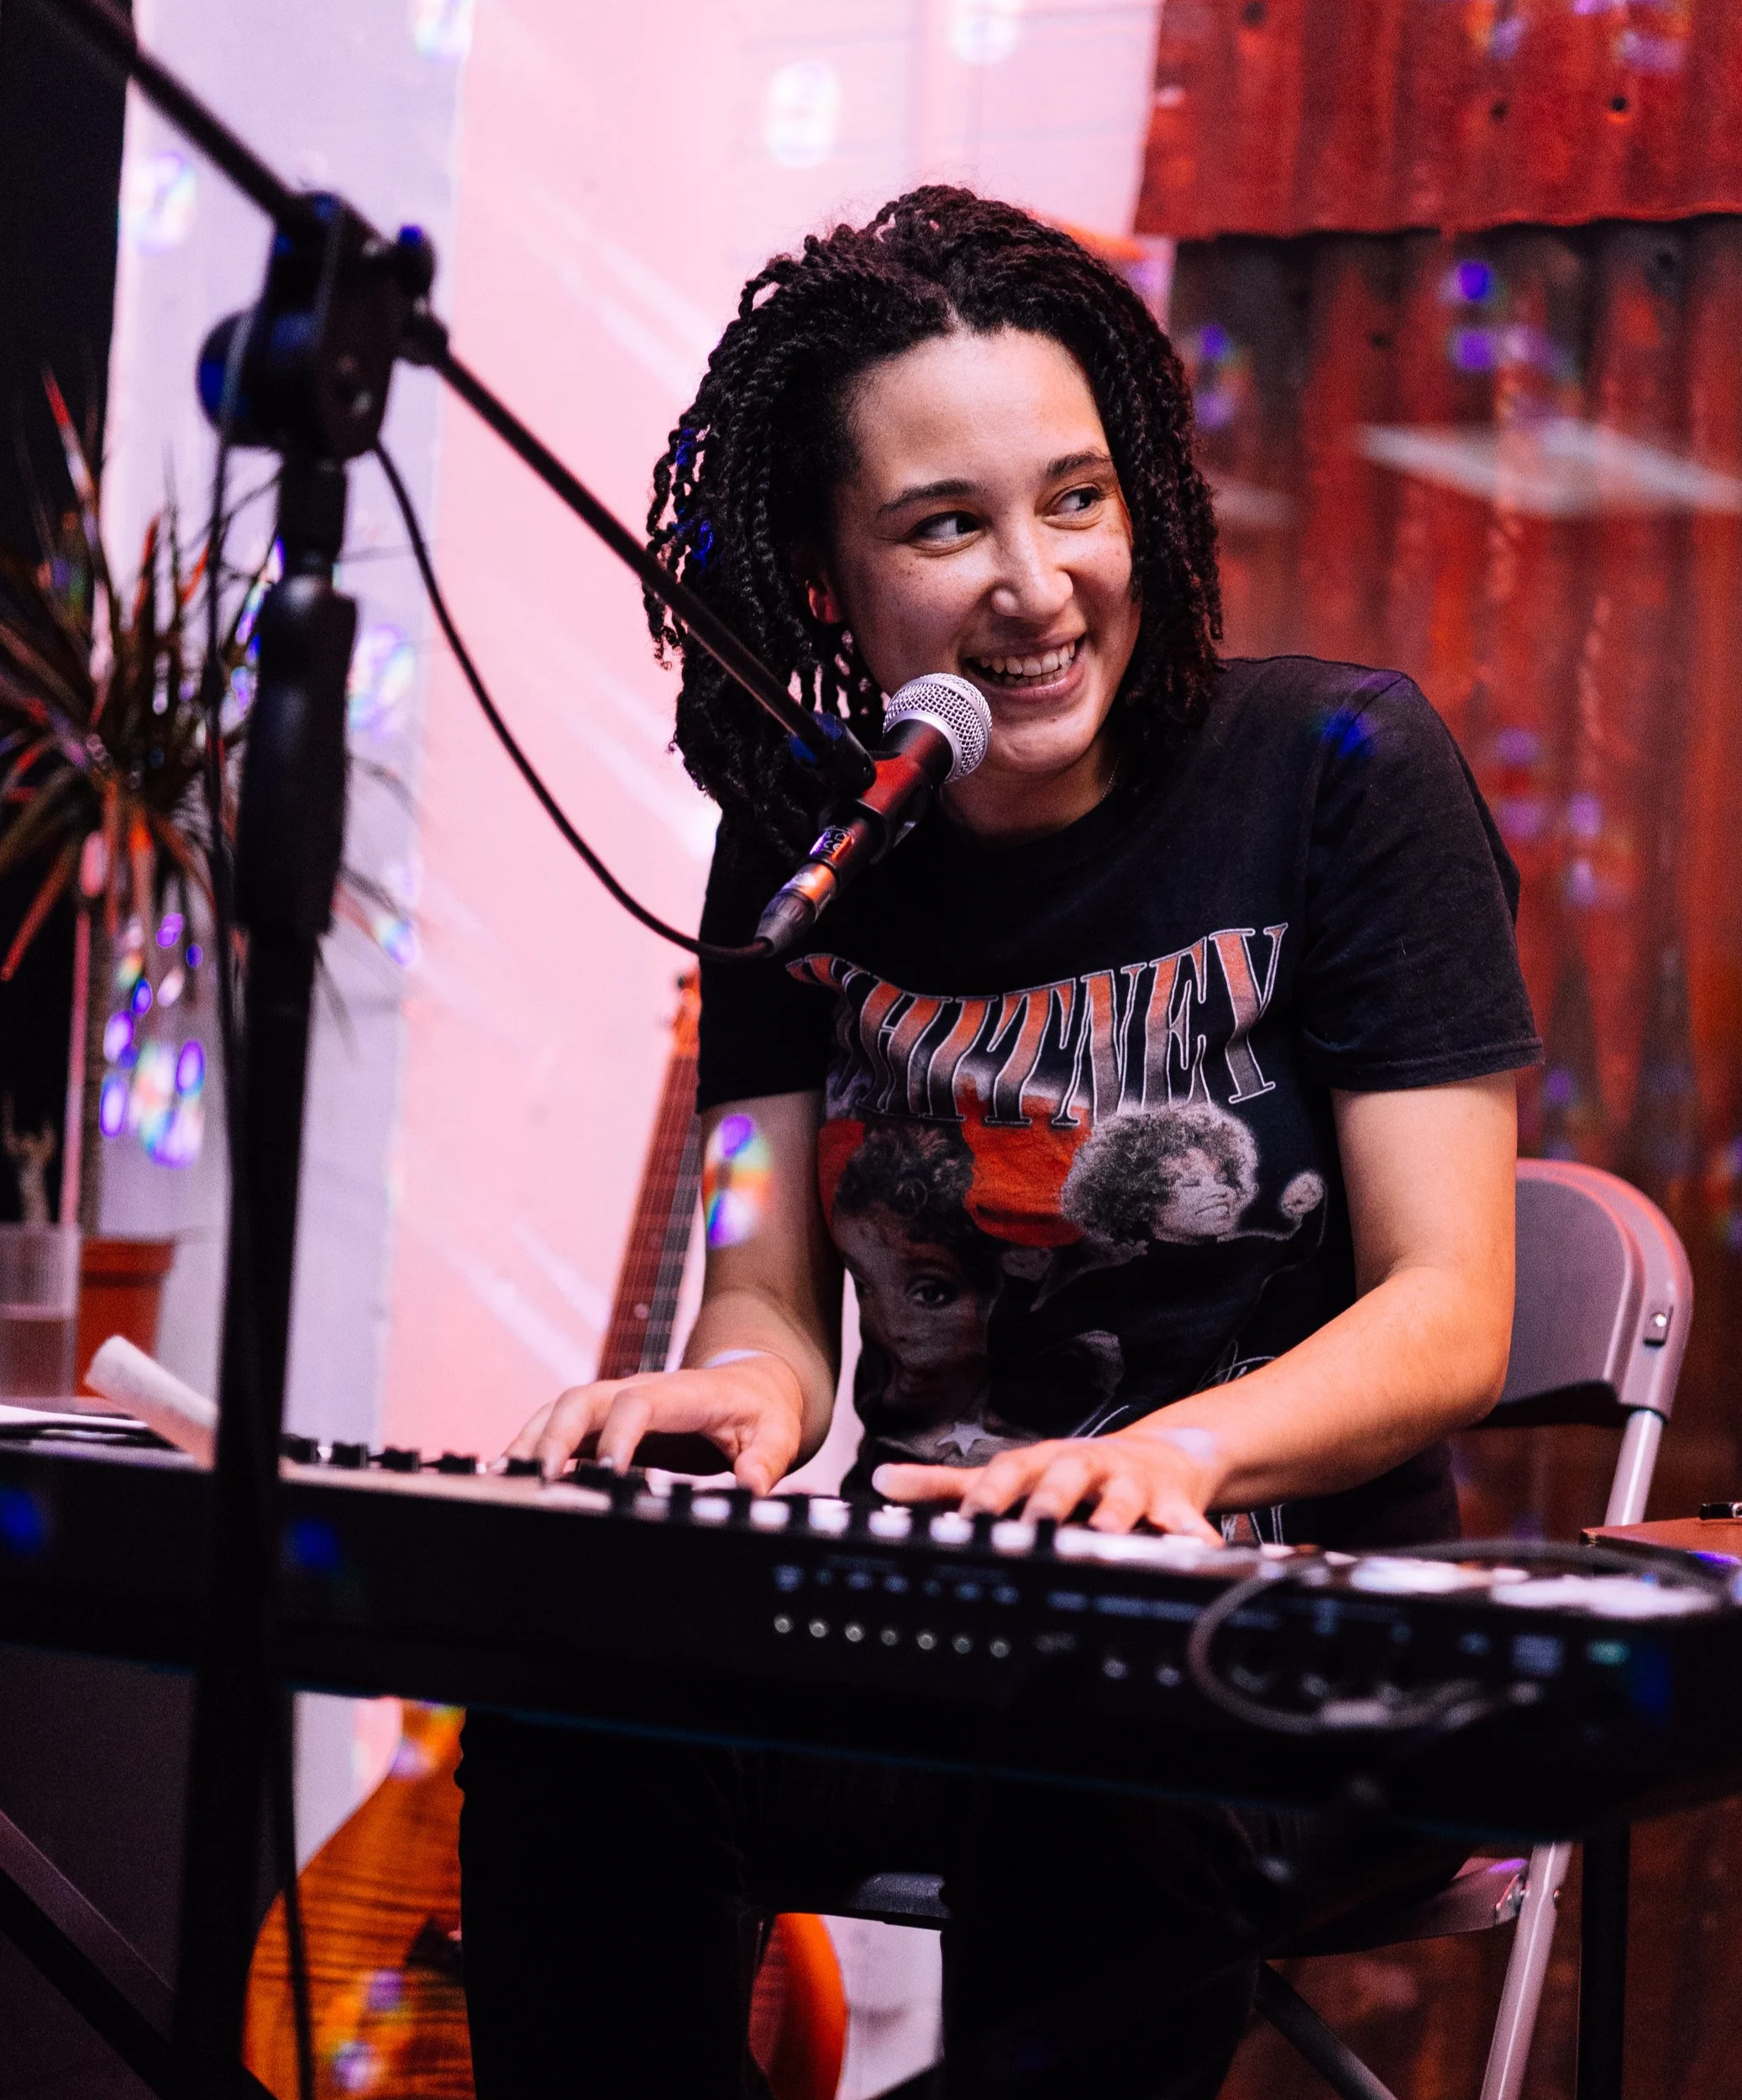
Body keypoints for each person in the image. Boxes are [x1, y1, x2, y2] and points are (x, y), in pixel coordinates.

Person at [461, 186, 1540, 2099]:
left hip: (1287, 1652)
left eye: (1076, 498)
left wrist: (1172, 1457)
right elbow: (766, 1292)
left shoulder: (1342, 770)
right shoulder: (800, 852)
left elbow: (1449, 1308)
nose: (1034, 585)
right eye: (945, 526)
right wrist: (731, 1385)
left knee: (1085, 1750)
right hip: (933, 1624)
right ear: (824, 573)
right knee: (579, 1687)